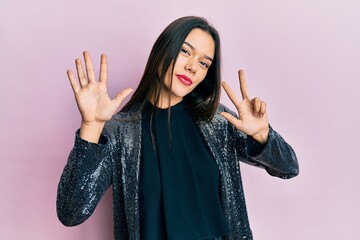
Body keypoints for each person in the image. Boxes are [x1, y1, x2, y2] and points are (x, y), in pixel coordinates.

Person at [56, 16, 299, 240]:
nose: (193, 67)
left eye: (204, 63)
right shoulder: (120, 131)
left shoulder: (218, 121)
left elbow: (288, 168)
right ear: (163, 50)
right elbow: (71, 212)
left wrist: (262, 135)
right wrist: (90, 128)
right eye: (185, 51)